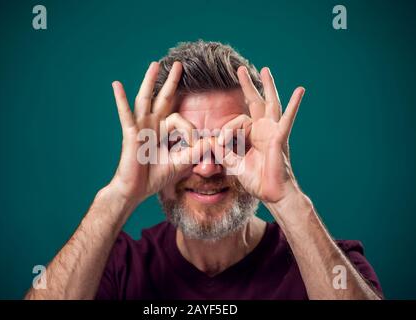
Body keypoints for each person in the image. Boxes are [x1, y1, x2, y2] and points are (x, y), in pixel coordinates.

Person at [25, 40, 383, 300]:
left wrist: (287, 198)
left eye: (233, 141)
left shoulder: (331, 265)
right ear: (151, 150)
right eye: (182, 142)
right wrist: (119, 193)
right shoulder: (114, 267)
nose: (209, 166)